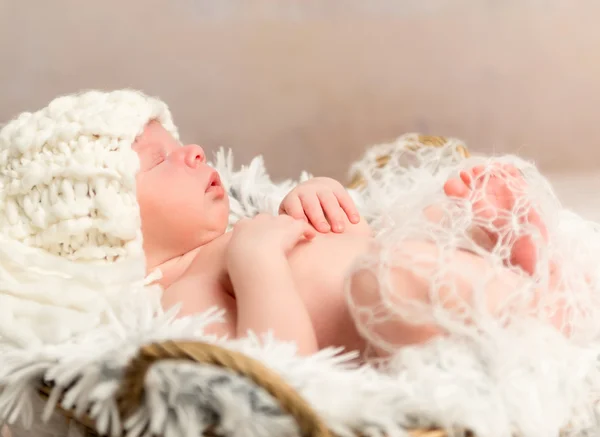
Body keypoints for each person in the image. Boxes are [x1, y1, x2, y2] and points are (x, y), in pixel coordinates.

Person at [0, 89, 575, 359]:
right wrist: (258, 262)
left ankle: (499, 239)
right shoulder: (177, 299)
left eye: (180, 142)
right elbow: (284, 365)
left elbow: (354, 229)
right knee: (388, 277)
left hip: (404, 260)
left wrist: (315, 198)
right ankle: (541, 305)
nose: (195, 152)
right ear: (110, 224)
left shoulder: (239, 227)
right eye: (159, 159)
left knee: (427, 217)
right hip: (393, 306)